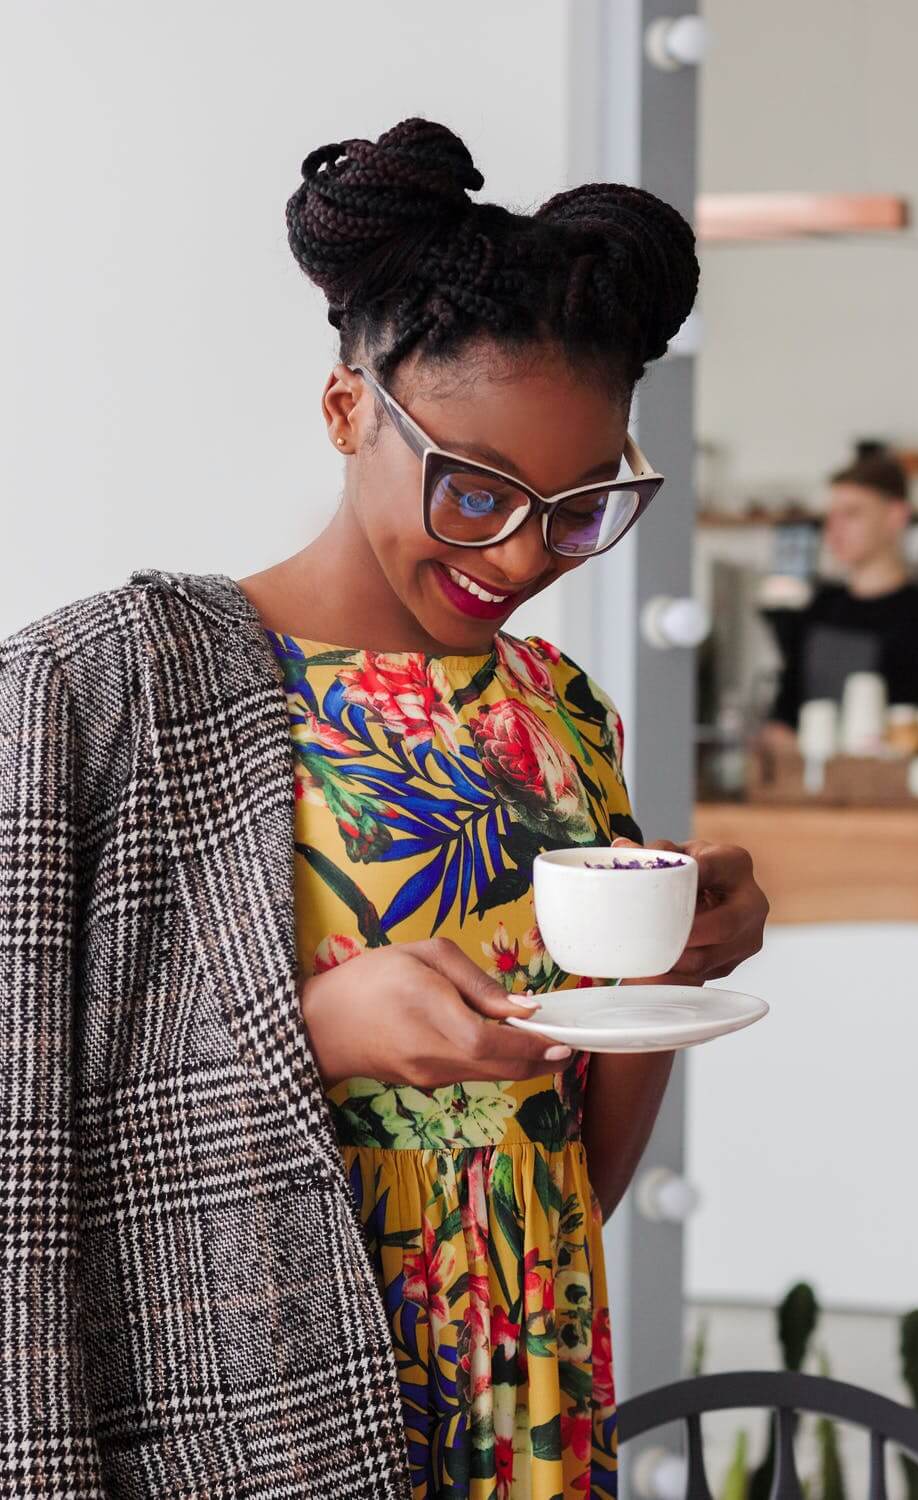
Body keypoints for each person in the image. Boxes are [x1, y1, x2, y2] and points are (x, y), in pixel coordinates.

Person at [0, 118, 768, 1499]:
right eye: (476, 489)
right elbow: (25, 1108)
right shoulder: (110, 688)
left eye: (581, 505)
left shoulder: (559, 710)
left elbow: (573, 1151)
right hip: (262, 1398)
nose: (524, 554)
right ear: (350, 408)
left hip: (532, 1372)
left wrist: (666, 960)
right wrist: (318, 1033)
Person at [764, 449, 918, 741]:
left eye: (852, 514)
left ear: (895, 516)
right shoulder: (822, 605)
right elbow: (786, 707)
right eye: (832, 516)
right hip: (805, 780)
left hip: (878, 781)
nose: (834, 529)